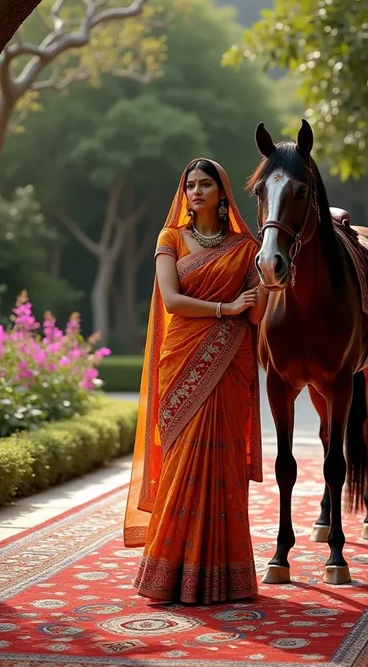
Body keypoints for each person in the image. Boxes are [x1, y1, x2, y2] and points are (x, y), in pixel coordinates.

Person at [123, 158, 268, 605]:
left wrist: (268, 285)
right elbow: (172, 300)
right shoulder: (171, 238)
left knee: (223, 466)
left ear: (223, 193)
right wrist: (227, 308)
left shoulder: (247, 249)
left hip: (231, 364)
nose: (197, 191)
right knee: (182, 461)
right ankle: (169, 577)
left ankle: (226, 578)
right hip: (184, 358)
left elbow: (257, 315)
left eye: (206, 184)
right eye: (191, 185)